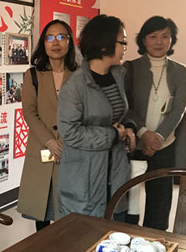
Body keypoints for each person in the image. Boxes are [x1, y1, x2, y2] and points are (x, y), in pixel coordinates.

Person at [57, 15, 136, 220]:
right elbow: (70, 132)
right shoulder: (76, 85)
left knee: (115, 229)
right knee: (86, 234)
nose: (125, 48)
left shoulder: (119, 75)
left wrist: (128, 127)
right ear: (104, 44)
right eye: (122, 42)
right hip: (85, 176)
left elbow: (121, 113)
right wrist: (112, 135)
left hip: (115, 171)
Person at [124, 16, 186, 230]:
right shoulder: (130, 68)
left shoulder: (180, 71)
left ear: (172, 40)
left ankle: (155, 241)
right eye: (153, 36)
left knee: (160, 203)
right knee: (129, 201)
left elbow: (179, 108)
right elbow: (125, 106)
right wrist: (144, 133)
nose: (159, 42)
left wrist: (158, 138)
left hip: (164, 145)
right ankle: (127, 237)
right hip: (134, 144)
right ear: (143, 40)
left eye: (165, 36)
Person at [17, 20, 78, 231]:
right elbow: (29, 112)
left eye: (61, 37)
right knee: (41, 210)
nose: (56, 42)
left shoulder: (80, 76)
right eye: (50, 37)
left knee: (68, 214)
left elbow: (84, 114)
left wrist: (66, 142)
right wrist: (51, 142)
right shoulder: (33, 75)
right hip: (42, 148)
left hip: (71, 150)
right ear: (43, 43)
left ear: (70, 42)